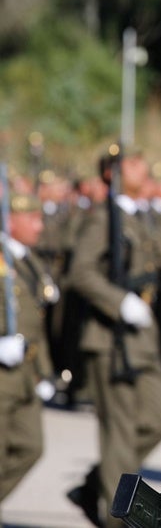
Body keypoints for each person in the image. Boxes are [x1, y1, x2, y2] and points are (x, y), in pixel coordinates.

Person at [66, 147, 161, 527]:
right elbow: (81, 273)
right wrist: (118, 302)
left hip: (141, 338)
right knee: (119, 437)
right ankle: (113, 515)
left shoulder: (136, 218)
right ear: (112, 173)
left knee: (157, 421)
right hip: (112, 338)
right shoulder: (102, 219)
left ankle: (96, 484)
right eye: (135, 162)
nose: (145, 168)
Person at [0, 191, 58, 506]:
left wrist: (45, 373)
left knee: (31, 446)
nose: (39, 226)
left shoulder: (27, 260)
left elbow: (37, 326)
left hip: (24, 374)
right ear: (11, 220)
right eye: (31, 219)